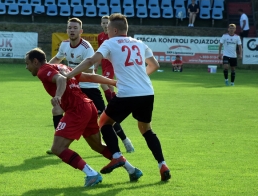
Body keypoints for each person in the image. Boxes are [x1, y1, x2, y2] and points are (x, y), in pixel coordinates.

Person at [66, 13, 171, 182]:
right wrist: (139, 78)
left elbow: (91, 61)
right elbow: (155, 65)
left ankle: (117, 156)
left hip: (127, 93)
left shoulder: (110, 43)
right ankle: (162, 165)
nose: (106, 32)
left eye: (107, 29)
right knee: (147, 130)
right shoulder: (139, 43)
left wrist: (68, 75)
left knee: (104, 122)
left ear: (114, 30)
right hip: (147, 92)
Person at [25, 48, 142, 187]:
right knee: (97, 146)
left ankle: (91, 174)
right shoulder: (62, 66)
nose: (27, 67)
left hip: (77, 110)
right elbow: (91, 77)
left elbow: (61, 80)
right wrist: (114, 82)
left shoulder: (43, 70)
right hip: (88, 106)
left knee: (57, 148)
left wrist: (58, 96)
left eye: (27, 64)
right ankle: (132, 169)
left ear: (35, 61)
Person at [48, 18, 135, 154]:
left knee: (104, 116)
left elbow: (90, 70)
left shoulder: (86, 47)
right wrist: (46, 68)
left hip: (89, 87)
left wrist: (67, 70)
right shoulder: (64, 45)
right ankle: (58, 145)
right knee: (57, 109)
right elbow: (57, 59)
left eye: (75, 28)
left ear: (80, 31)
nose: (72, 30)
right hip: (73, 86)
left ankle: (125, 140)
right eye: (70, 28)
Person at [96, 16, 115, 102]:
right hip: (104, 63)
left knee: (103, 82)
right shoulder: (100, 36)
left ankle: (111, 104)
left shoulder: (113, 36)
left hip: (111, 64)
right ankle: (115, 103)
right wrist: (96, 65)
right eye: (103, 23)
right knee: (110, 86)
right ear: (101, 24)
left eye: (107, 23)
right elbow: (100, 52)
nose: (105, 24)